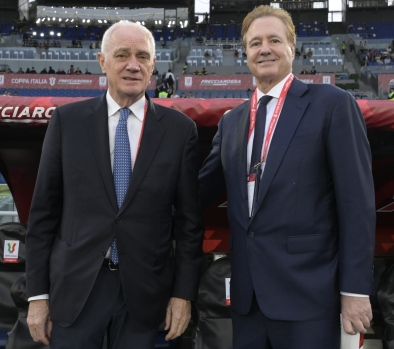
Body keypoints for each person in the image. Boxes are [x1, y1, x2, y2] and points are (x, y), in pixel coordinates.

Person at [198, 6, 375, 349]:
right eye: (255, 43)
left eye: (274, 40)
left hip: (308, 297)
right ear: (245, 52)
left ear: (293, 47)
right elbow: (197, 193)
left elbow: (357, 204)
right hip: (247, 302)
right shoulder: (231, 122)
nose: (264, 49)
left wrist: (354, 290)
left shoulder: (332, 105)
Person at [26, 20, 203, 349]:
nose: (133, 65)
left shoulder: (180, 131)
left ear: (153, 65)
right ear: (102, 61)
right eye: (122, 54)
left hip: (145, 295)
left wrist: (183, 294)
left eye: (142, 56)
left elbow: (189, 224)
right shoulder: (67, 122)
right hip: (76, 291)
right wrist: (37, 295)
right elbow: (43, 214)